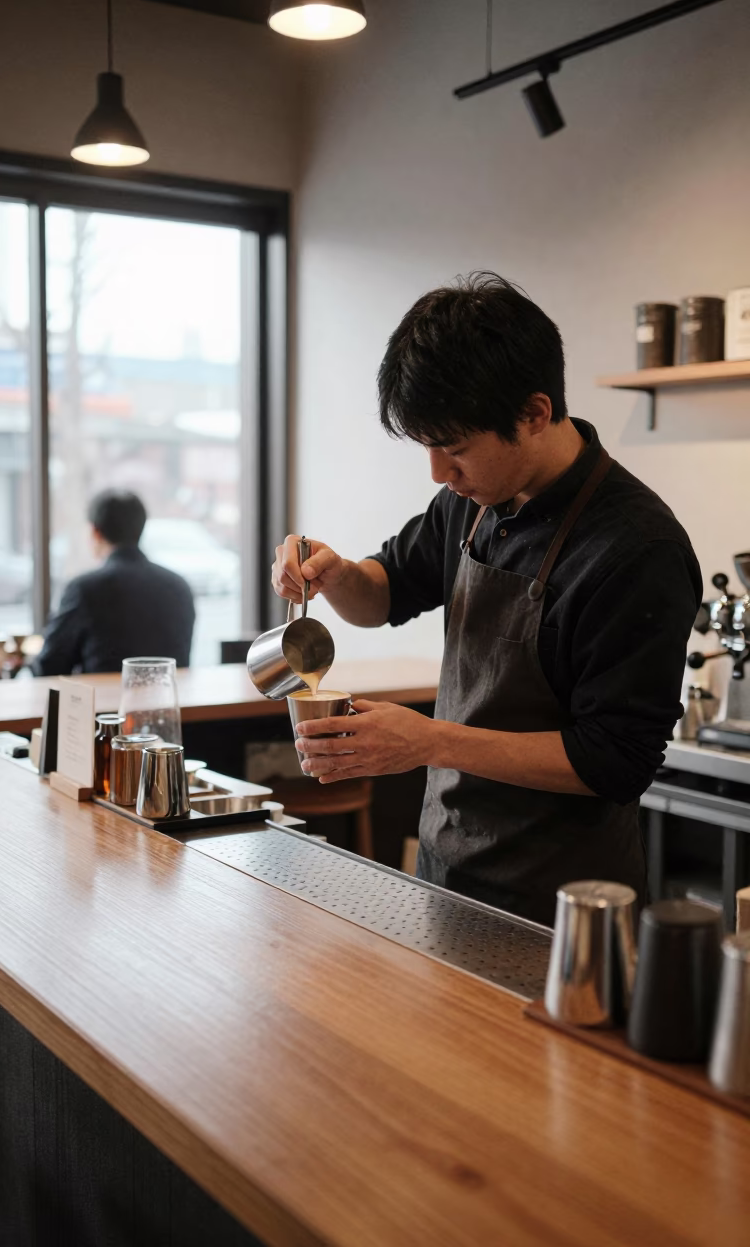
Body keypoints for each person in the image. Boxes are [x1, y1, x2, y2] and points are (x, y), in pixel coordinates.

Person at [272, 273, 702, 926]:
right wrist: (335, 576)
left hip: (562, 904)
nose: (440, 475)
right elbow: (384, 594)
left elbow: (614, 761)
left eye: (455, 449)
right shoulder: (468, 504)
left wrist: (427, 742)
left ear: (533, 413)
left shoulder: (636, 548)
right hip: (446, 871)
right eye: (428, 448)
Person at [33, 490, 195, 676]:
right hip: (168, 702)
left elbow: (49, 666)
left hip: (104, 704)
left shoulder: (84, 589)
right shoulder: (179, 587)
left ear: (95, 532)